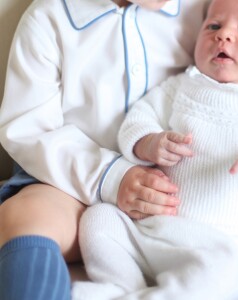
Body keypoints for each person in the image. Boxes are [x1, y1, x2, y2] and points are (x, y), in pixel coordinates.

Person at [72, 0, 238, 299]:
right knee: (99, 218)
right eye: (214, 25)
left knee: (233, 270)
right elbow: (138, 119)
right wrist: (148, 143)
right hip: (151, 230)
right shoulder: (181, 86)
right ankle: (120, 285)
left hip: (226, 242)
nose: (224, 35)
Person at [0, 0, 207, 299]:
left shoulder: (206, 10)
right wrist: (112, 177)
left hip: (181, 189)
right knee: (22, 217)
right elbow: (28, 129)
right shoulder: (50, 16)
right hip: (70, 190)